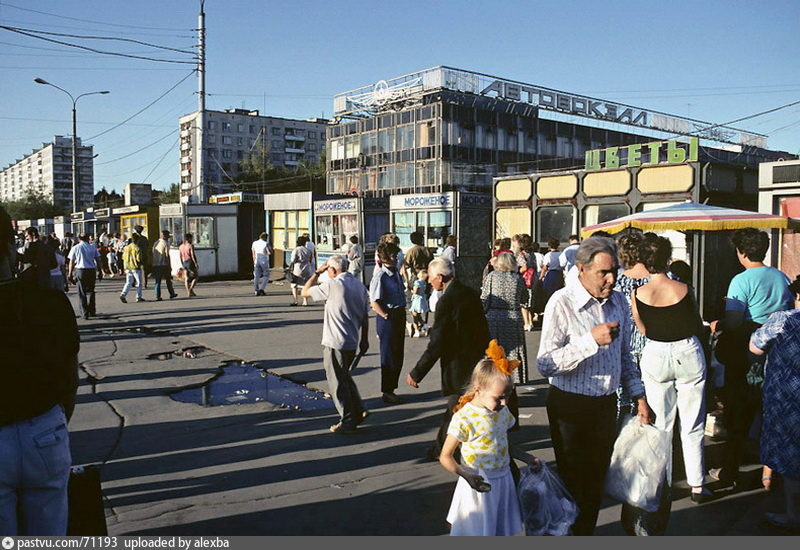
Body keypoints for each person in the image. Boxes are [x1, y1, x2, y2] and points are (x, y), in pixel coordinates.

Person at [537, 236, 652, 535]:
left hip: (605, 404)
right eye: (603, 272)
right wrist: (589, 341)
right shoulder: (561, 303)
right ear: (581, 269)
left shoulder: (618, 302)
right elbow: (545, 364)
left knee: (595, 482)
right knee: (573, 483)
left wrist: (639, 397)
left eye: (614, 270)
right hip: (570, 406)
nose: (612, 279)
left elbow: (626, 355)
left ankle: (583, 532)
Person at [0, 205, 79, 536]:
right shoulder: (50, 301)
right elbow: (70, 377)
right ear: (10, 247)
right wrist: (55, 419)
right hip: (45, 430)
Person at [631, 234, 712, 504]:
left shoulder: (637, 293)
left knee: (662, 424)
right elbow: (695, 323)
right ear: (668, 259)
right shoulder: (684, 288)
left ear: (643, 261)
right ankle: (697, 484)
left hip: (655, 352)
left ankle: (662, 483)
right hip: (687, 351)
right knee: (692, 423)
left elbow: (642, 328)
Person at [710, 227, 794, 485]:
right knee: (770, 412)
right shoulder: (781, 277)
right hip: (776, 352)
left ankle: (730, 470)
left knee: (738, 413)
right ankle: (771, 471)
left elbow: (734, 322)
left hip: (746, 352)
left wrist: (718, 323)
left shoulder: (740, 281)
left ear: (742, 252)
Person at [440, 342, 539, 536]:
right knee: (479, 531)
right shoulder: (464, 418)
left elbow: (503, 445)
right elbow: (445, 456)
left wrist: (528, 458)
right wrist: (466, 475)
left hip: (503, 480)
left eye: (508, 396)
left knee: (499, 530)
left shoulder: (502, 412)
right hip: (477, 484)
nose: (504, 402)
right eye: (498, 397)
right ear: (478, 389)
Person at [406, 257, 491, 459]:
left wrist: (417, 372)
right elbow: (483, 329)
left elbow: (437, 342)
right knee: (463, 406)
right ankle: (447, 446)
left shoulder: (447, 301)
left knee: (456, 407)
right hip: (475, 358)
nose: (429, 282)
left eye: (431, 278)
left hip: (458, 362)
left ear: (440, 277)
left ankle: (443, 450)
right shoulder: (469, 293)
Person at [749, 277, 800, 532]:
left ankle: (793, 514)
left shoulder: (782, 320)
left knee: (791, 456)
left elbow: (755, 347)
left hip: (787, 398)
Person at [301, 255, 370, 434]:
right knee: (345, 377)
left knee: (337, 382)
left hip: (335, 340)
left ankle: (347, 419)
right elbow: (364, 315)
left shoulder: (332, 285)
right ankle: (358, 409)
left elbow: (305, 292)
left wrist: (317, 272)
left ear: (332, 270)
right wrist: (364, 339)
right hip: (352, 339)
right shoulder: (359, 285)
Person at [613, 233, 651, 422]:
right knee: (652, 400)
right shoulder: (662, 278)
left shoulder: (616, 282)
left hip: (623, 344)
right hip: (652, 344)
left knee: (623, 401)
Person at [481, 251, 528, 385]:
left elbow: (485, 298)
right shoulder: (518, 278)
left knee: (495, 349)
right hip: (513, 315)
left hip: (494, 315)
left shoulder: (492, 276)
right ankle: (513, 378)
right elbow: (525, 298)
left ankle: (492, 378)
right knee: (513, 350)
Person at [370, 241, 407, 404]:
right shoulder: (380, 276)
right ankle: (387, 390)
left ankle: (393, 387)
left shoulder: (395, 273)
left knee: (398, 353)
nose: (396, 257)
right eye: (394, 254)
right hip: (389, 316)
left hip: (399, 313)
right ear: (386, 257)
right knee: (389, 354)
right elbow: (374, 301)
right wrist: (385, 315)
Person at [67, 232, 100, 319]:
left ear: (79, 239)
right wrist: (100, 271)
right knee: (91, 291)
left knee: (82, 292)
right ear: (87, 238)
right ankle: (92, 310)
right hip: (91, 270)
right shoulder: (93, 247)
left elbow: (71, 262)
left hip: (80, 270)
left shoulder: (76, 247)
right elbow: (98, 260)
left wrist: (70, 274)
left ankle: (84, 313)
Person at [511, 234, 536, 330]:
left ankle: (526, 323)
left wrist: (517, 271)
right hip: (532, 278)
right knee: (530, 302)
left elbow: (524, 267)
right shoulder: (531, 253)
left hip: (525, 279)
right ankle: (530, 322)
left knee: (523, 302)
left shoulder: (521, 254)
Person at [152, 230, 178, 301]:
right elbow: (167, 255)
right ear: (165, 236)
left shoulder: (155, 243)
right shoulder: (165, 243)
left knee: (158, 281)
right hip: (164, 264)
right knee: (168, 280)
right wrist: (169, 265)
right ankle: (171, 293)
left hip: (156, 264)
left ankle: (157, 295)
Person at [119, 233, 145, 303]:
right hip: (135, 267)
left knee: (128, 282)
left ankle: (123, 294)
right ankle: (138, 297)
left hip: (128, 267)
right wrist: (142, 263)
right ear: (137, 240)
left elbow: (123, 257)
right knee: (139, 283)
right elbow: (139, 259)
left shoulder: (126, 248)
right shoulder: (137, 248)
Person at [538, 237, 564, 306]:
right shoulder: (561, 254)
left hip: (551, 274)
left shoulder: (548, 255)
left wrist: (541, 277)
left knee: (549, 293)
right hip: (559, 274)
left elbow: (545, 267)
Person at [289, 235, 313, 306]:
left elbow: (293, 260)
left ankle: (295, 300)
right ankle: (305, 301)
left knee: (294, 285)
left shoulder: (296, 250)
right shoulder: (308, 250)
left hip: (298, 268)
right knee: (305, 283)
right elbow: (311, 260)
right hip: (307, 268)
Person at [408, 268, 430, 337]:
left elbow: (416, 292)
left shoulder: (417, 283)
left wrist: (411, 291)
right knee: (418, 316)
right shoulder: (424, 283)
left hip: (416, 301)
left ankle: (417, 331)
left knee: (414, 316)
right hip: (422, 300)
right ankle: (425, 325)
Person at [252, 232, 272, 296]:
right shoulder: (266, 243)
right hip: (264, 261)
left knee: (256, 276)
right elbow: (269, 252)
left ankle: (256, 289)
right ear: (266, 238)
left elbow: (253, 253)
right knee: (266, 275)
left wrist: (254, 261)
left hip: (256, 261)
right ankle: (261, 288)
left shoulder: (254, 243)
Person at [179, 233, 199, 298]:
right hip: (190, 261)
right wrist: (196, 263)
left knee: (186, 278)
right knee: (195, 276)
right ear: (189, 238)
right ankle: (190, 290)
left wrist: (182, 263)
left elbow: (180, 256)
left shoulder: (181, 246)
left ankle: (189, 292)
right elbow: (192, 255)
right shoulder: (190, 246)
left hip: (184, 262)